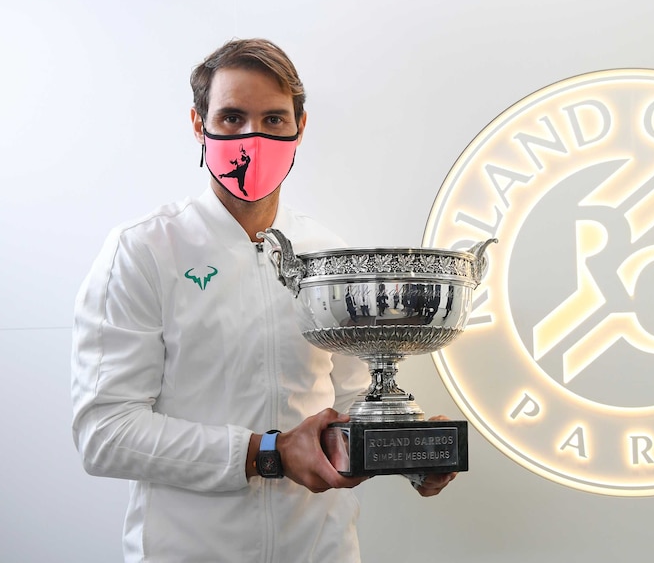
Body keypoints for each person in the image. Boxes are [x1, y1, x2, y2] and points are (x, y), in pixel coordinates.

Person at [71, 38, 455, 563]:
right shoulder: (143, 251)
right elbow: (105, 433)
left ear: (299, 127)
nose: (253, 137)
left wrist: (402, 447)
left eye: (273, 120)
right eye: (231, 118)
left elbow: (347, 401)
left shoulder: (328, 256)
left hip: (321, 551)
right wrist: (264, 453)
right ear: (197, 124)